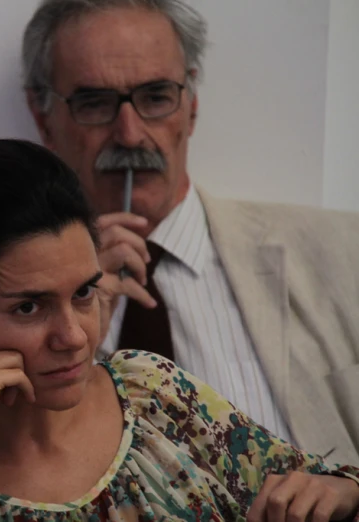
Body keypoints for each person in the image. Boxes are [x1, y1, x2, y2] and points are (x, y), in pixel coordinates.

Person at [0, 139, 359, 521]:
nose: (75, 336)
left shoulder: (151, 392)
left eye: (83, 293)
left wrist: (341, 492)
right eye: (29, 308)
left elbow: (327, 482)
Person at [21, 0, 359, 466]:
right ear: (43, 120)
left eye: (156, 97)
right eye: (94, 103)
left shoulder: (344, 251)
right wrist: (77, 303)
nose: (130, 134)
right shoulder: (13, 298)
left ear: (192, 107)